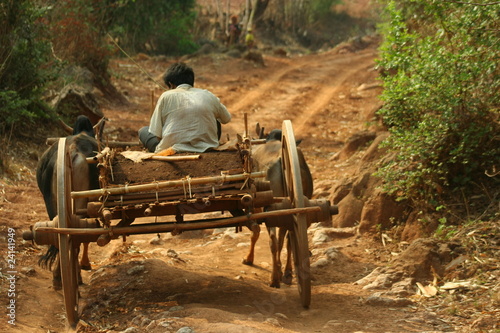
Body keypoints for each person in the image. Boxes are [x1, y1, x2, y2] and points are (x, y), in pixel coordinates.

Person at [138, 62, 231, 155]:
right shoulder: (208, 95)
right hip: (207, 147)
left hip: (171, 149)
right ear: (191, 81)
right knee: (215, 118)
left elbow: (157, 135)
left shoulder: (166, 96)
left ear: (171, 84)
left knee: (143, 131)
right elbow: (226, 118)